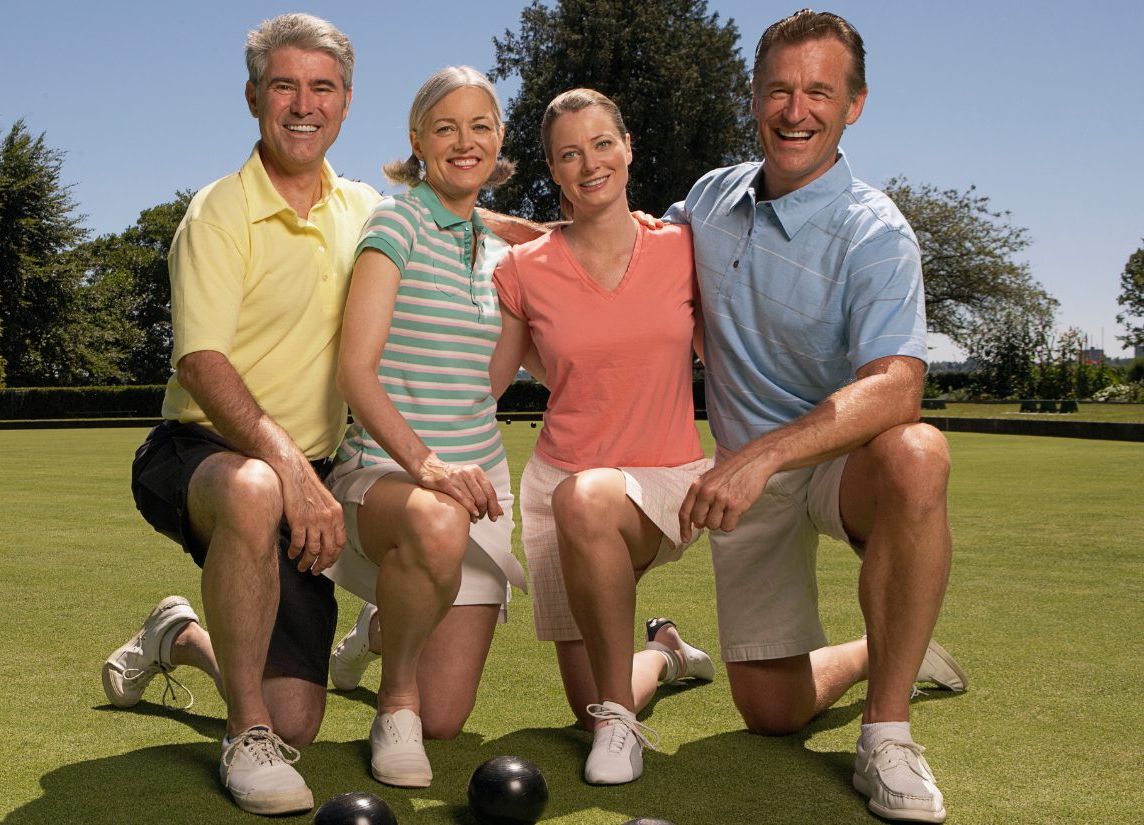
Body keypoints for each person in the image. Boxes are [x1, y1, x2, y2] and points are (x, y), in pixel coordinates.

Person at [666, 9, 967, 823]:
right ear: (755, 96)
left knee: (918, 450)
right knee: (773, 713)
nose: (796, 110)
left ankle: (888, 731)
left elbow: (899, 383)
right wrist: (476, 227)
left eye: (819, 92)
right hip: (749, 476)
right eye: (779, 90)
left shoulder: (877, 231)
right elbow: (610, 258)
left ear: (855, 104)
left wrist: (764, 453)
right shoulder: (708, 197)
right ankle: (887, 646)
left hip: (838, 463)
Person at [101, 13, 380, 816]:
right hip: (197, 454)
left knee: (304, 718)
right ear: (254, 96)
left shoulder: (363, 208)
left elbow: (460, 223)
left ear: (346, 102)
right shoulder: (218, 212)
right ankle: (243, 733)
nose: (303, 104)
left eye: (321, 87)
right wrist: (292, 468)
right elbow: (200, 362)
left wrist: (581, 231)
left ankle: (178, 636)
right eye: (284, 85)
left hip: (308, 470)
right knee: (258, 487)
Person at [482, 88, 716, 786]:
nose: (590, 164)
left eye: (603, 144)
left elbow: (734, 351)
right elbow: (485, 387)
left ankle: (621, 716)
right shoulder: (523, 270)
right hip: (560, 482)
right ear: (552, 171)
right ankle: (665, 654)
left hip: (664, 480)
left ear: (629, 146)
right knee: (588, 706)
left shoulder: (684, 249)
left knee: (590, 501)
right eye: (569, 154)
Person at [318, 66, 525, 790]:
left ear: (499, 140)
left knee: (450, 717)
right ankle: (392, 705)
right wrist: (430, 465)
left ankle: (377, 632)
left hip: (482, 484)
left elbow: (488, 384)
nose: (464, 142)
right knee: (435, 525)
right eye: (446, 128)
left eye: (480, 127)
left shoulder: (503, 253)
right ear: (417, 141)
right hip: (387, 471)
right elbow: (356, 371)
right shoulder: (396, 222)